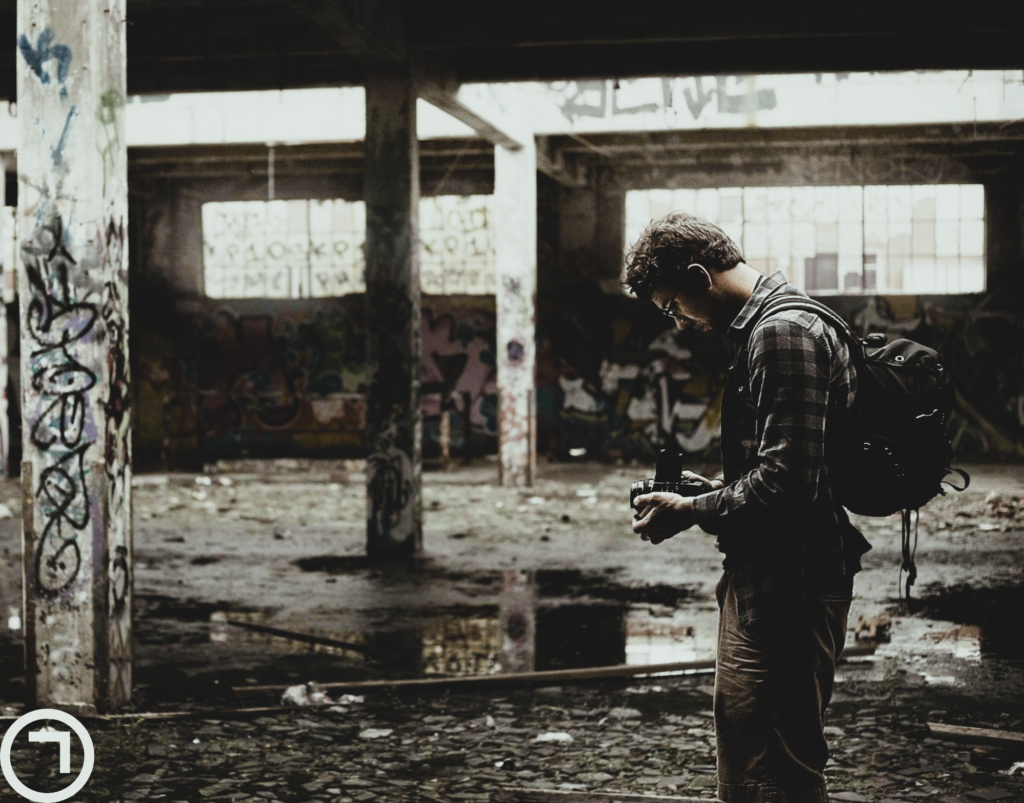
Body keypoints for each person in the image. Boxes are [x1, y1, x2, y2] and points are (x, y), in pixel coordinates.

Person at [625, 212, 871, 803]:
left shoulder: (780, 334)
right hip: (773, 579)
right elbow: (791, 472)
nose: (678, 323)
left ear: (697, 275)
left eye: (671, 307)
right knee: (753, 751)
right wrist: (705, 489)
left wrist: (689, 511)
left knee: (776, 767)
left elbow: (787, 486)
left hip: (791, 585)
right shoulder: (774, 326)